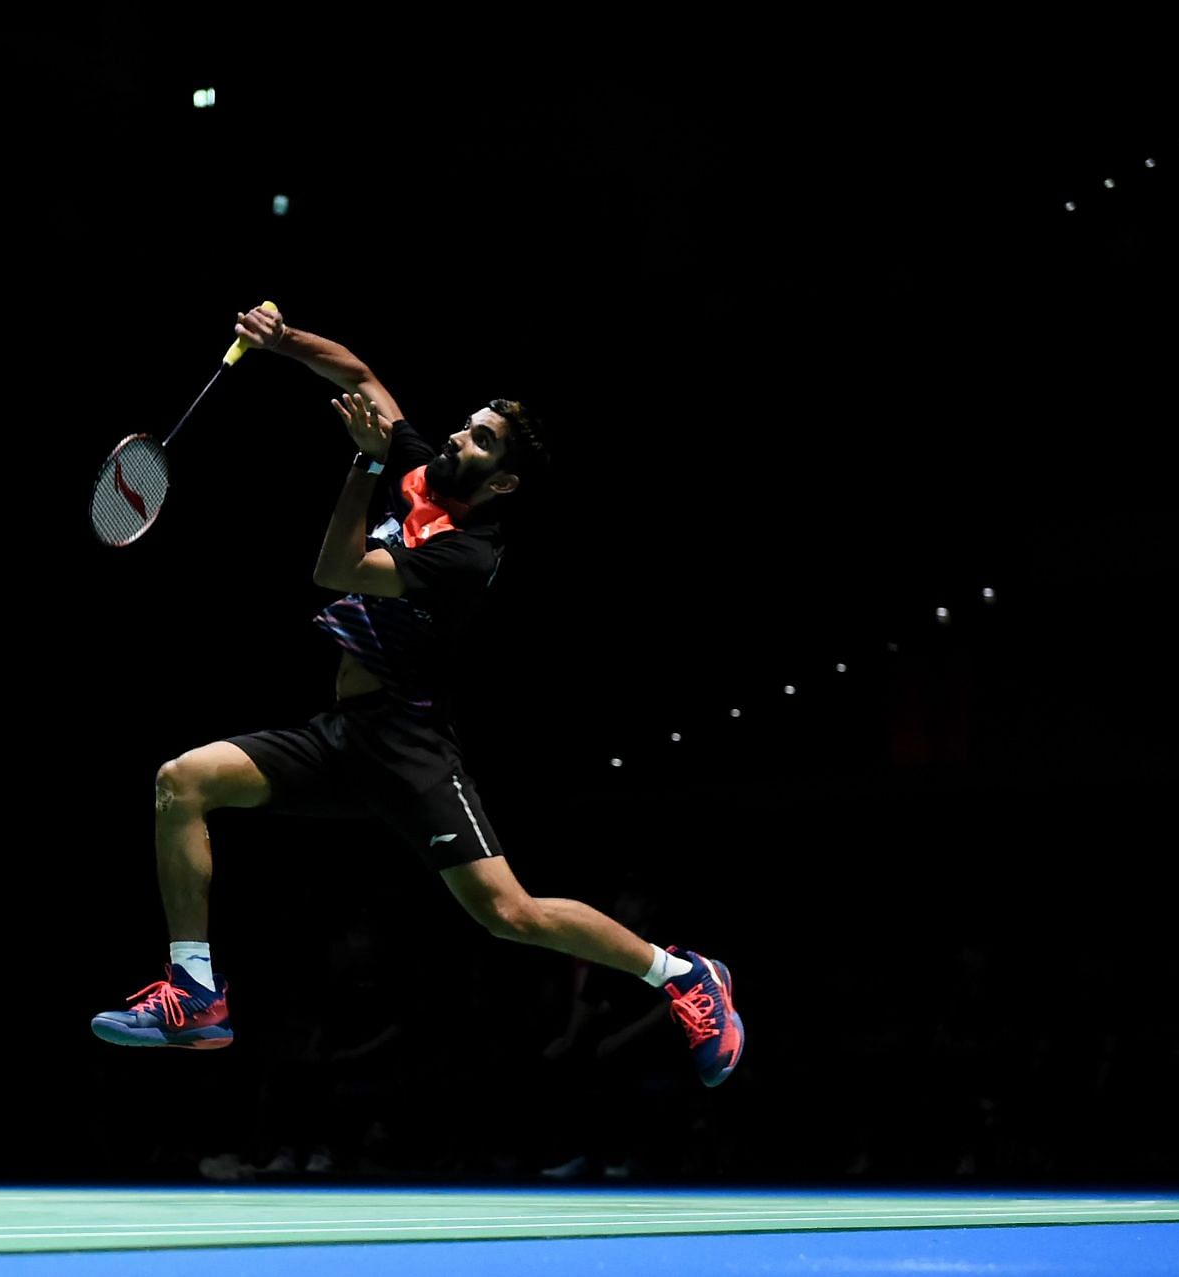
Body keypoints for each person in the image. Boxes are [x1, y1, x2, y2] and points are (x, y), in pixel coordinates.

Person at [90, 305, 743, 1087]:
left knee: (511, 915)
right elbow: (360, 374)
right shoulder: (422, 466)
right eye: (467, 425)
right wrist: (280, 340)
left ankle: (680, 973)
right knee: (181, 781)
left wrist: (363, 467)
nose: (456, 438)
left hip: (409, 747)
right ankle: (195, 992)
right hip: (342, 733)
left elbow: (336, 570)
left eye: (478, 440)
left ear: (501, 481)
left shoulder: (467, 556)